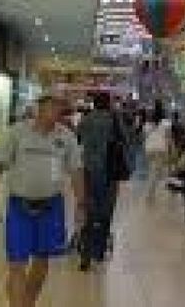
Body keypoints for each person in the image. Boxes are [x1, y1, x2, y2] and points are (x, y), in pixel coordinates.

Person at [0, 95, 85, 307]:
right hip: (19, 207)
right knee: (17, 263)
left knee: (41, 261)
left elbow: (76, 171)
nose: (57, 109)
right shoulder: (17, 132)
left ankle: (27, 302)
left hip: (52, 208)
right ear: (39, 106)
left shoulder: (67, 137)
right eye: (52, 104)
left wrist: (81, 204)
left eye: (59, 105)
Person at [75, 92, 119, 272]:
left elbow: (78, 138)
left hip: (88, 170)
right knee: (106, 211)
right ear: (108, 103)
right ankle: (99, 251)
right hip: (109, 171)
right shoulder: (113, 120)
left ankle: (85, 254)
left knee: (88, 210)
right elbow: (126, 140)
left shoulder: (86, 119)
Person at [143, 101, 171, 203]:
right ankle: (151, 193)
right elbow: (168, 137)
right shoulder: (166, 123)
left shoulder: (147, 124)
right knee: (160, 171)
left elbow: (145, 136)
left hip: (150, 149)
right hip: (161, 148)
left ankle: (152, 192)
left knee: (154, 169)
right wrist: (170, 149)